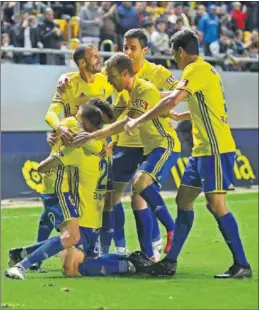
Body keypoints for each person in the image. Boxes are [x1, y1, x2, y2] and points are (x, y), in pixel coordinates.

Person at [124, 29, 252, 279]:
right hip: (202, 150)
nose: (175, 60)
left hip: (215, 149)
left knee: (216, 205)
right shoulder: (206, 70)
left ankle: (242, 264)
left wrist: (140, 118)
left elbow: (173, 99)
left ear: (180, 52)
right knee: (184, 201)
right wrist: (175, 113)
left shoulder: (195, 70)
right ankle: (170, 261)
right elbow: (199, 107)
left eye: (174, 55)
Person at [57, 29, 180, 259]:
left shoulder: (150, 81)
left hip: (161, 145)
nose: (128, 51)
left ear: (144, 50)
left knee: (140, 189)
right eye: (125, 47)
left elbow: (128, 120)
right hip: (131, 146)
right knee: (116, 195)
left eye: (132, 47)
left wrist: (93, 136)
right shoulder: (124, 90)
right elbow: (111, 114)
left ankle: (166, 234)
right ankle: (132, 251)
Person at [5, 102, 107, 280]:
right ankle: (21, 265)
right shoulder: (75, 129)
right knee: (71, 237)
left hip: (60, 185)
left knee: (70, 236)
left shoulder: (73, 131)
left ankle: (22, 256)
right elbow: (47, 164)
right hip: (59, 187)